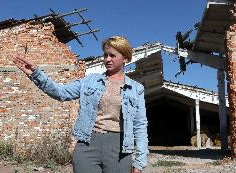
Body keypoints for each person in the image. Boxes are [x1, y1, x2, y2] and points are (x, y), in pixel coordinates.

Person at [13, 36, 148, 173]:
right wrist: (36, 74)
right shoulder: (89, 81)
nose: (107, 59)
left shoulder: (136, 89)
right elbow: (61, 92)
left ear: (125, 58)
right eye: (105, 55)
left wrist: (140, 160)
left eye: (112, 55)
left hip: (119, 147)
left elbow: (140, 125)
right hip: (87, 144)